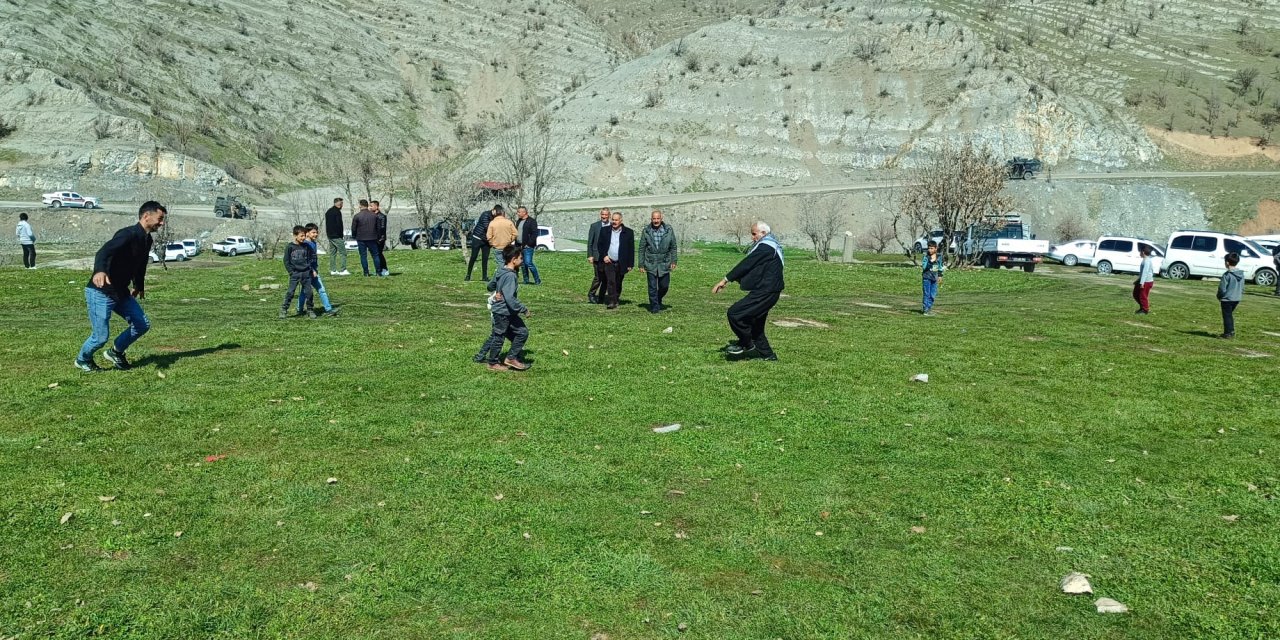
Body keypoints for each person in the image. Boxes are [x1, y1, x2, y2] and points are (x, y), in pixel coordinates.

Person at [75, 201, 167, 372]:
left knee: (141, 324)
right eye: (160, 219)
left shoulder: (146, 239)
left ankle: (116, 351)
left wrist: (139, 285)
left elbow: (140, 265)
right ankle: (83, 359)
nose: (161, 223)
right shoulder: (128, 234)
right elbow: (104, 252)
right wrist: (100, 271)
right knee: (100, 337)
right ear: (146, 216)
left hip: (121, 293)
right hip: (101, 291)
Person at [712, 221, 784, 361]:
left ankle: (747, 344)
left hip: (766, 292)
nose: (752, 237)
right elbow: (754, 269)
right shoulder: (770, 246)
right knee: (756, 325)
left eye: (754, 234)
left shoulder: (766, 247)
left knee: (735, 313)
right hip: (768, 291)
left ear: (763, 233)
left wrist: (725, 280)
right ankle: (768, 356)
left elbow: (746, 264)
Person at [474, 245, 531, 371]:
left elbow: (490, 286)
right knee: (500, 336)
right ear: (514, 259)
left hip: (503, 311)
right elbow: (510, 299)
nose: (522, 261)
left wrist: (497, 290)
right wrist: (523, 309)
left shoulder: (501, 270)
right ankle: (494, 362)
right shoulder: (510, 276)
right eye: (521, 258)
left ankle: (511, 357)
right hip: (504, 311)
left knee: (520, 332)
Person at [638, 209, 677, 313]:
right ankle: (654, 307)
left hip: (664, 262)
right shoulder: (646, 230)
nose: (656, 221)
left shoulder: (668, 230)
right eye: (654, 218)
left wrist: (674, 261)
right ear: (651, 219)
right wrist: (641, 264)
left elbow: (673, 247)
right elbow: (642, 248)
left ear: (661, 218)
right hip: (650, 262)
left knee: (664, 286)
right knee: (652, 287)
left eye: (658, 218)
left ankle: (658, 299)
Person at [594, 211, 634, 309]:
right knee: (611, 281)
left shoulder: (628, 232)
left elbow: (631, 249)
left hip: (621, 261)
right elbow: (600, 245)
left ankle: (616, 298)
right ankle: (612, 301)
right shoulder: (605, 230)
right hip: (609, 261)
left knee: (618, 281)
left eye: (616, 220)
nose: (614, 222)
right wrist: (604, 256)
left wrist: (630, 264)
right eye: (613, 220)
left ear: (621, 220)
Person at [299, 224, 339, 317]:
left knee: (317, 290)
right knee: (309, 291)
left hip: (314, 271)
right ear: (307, 233)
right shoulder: (305, 244)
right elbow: (306, 260)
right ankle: (300, 309)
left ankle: (328, 308)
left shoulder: (314, 243)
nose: (315, 234)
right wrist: (312, 270)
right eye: (313, 232)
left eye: (316, 232)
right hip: (308, 272)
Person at [280, 226, 317, 319]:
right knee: (290, 292)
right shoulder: (290, 247)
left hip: (306, 273)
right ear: (295, 236)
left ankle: (310, 310)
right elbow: (286, 261)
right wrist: (291, 272)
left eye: (304, 235)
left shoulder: (307, 246)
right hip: (295, 273)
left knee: (309, 293)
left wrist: (311, 269)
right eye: (301, 236)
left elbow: (312, 257)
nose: (303, 238)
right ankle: (284, 309)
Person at [465, 204, 499, 281]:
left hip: (486, 241)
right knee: (473, 257)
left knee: (485, 259)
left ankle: (484, 276)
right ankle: (468, 275)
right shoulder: (485, 214)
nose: (497, 215)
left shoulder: (495, 218)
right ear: (493, 210)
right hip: (478, 238)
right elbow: (487, 227)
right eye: (496, 213)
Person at [351, 199, 383, 277]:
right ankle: (378, 272)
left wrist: (354, 236)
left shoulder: (357, 216)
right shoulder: (374, 216)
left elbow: (354, 228)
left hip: (361, 238)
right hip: (372, 238)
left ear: (360, 205)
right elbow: (379, 228)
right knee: (375, 255)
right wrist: (378, 237)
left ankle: (366, 272)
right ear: (367, 205)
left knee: (363, 256)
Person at [586, 208, 610, 303]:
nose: (604, 216)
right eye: (602, 215)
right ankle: (591, 293)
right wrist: (590, 255)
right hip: (597, 255)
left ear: (609, 215)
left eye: (606, 215)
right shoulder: (594, 226)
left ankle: (602, 296)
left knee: (607, 277)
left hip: (608, 256)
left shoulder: (612, 226)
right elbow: (590, 242)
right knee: (598, 277)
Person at [1217, 252, 1243, 339]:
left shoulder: (1227, 275)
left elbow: (1222, 288)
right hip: (1236, 298)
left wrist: (1219, 296)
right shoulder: (1241, 274)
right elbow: (1242, 287)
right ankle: (1230, 331)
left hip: (1227, 299)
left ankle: (1228, 333)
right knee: (1229, 315)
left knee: (1227, 316)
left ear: (1227, 262)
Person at [487, 204, 517, 275]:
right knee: (507, 262)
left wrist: (492, 243)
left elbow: (488, 236)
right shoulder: (509, 222)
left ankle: (499, 277)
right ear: (503, 213)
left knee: (500, 263)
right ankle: (506, 275)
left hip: (497, 247)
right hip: (507, 246)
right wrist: (510, 240)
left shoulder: (492, 223)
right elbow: (515, 233)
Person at [515, 206, 542, 285]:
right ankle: (526, 280)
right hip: (519, 246)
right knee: (522, 264)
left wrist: (529, 244)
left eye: (519, 212)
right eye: (518, 212)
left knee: (528, 263)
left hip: (528, 247)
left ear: (524, 212)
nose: (518, 213)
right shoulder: (518, 221)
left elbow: (534, 234)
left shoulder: (531, 221)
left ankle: (537, 280)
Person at [324, 197, 349, 275]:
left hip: (330, 235)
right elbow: (339, 225)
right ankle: (343, 269)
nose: (342, 205)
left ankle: (333, 270)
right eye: (341, 203)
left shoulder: (328, 211)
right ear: (339, 204)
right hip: (336, 235)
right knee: (343, 252)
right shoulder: (337, 212)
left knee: (333, 253)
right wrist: (341, 235)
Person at [921, 240, 945, 316]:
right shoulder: (926, 257)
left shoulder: (939, 257)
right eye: (929, 248)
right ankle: (926, 309)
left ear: (936, 248)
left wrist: (940, 275)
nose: (930, 250)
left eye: (931, 248)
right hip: (927, 277)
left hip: (934, 278)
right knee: (926, 294)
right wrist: (930, 262)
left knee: (933, 294)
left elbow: (940, 267)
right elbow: (924, 267)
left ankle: (929, 307)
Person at [1133, 244, 1154, 315]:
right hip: (1143, 280)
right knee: (1135, 294)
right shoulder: (1145, 260)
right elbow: (1142, 273)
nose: (1139, 253)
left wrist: (1142, 283)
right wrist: (1138, 280)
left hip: (1146, 282)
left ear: (1143, 252)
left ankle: (1145, 310)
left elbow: (1145, 272)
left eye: (1140, 252)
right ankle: (1143, 307)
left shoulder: (1147, 261)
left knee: (1142, 296)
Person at [371, 200, 389, 276]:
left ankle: (384, 269)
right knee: (375, 255)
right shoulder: (372, 216)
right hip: (373, 238)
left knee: (379, 254)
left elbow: (382, 228)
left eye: (371, 206)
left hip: (380, 238)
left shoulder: (381, 216)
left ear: (376, 206)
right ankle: (378, 269)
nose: (370, 207)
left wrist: (380, 238)